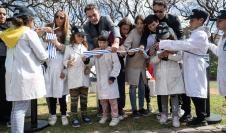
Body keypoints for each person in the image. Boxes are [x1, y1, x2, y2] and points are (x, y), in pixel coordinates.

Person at [0, 6, 48, 133]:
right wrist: (39, 37)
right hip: (26, 76)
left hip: (12, 75)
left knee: (16, 107)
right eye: (32, 19)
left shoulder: (9, 33)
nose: (33, 22)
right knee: (20, 108)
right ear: (28, 20)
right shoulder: (29, 33)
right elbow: (43, 55)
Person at [158, 9, 210, 126]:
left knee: (197, 91)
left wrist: (164, 43)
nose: (190, 22)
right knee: (192, 91)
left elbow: (186, 44)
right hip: (191, 65)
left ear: (201, 20)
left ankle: (202, 118)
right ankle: (193, 115)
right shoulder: (196, 33)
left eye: (192, 20)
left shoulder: (200, 34)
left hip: (195, 66)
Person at [83, 3, 121, 116]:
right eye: (89, 16)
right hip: (98, 57)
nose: (92, 18)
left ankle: (119, 110)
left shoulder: (106, 19)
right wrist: (94, 50)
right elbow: (89, 42)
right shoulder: (86, 26)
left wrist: (116, 41)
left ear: (99, 12)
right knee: (101, 86)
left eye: (94, 15)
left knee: (115, 83)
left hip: (112, 52)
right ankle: (103, 111)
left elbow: (114, 28)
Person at [150, 22, 185, 128]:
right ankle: (164, 114)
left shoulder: (176, 44)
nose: (162, 40)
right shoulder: (155, 46)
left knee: (174, 95)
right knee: (163, 95)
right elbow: (152, 61)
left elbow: (179, 57)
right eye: (161, 38)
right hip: (161, 74)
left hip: (173, 74)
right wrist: (159, 56)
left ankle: (175, 116)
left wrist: (168, 55)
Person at [88, 35, 121, 126]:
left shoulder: (111, 51)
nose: (102, 44)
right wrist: (86, 61)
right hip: (100, 80)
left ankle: (115, 117)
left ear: (107, 42)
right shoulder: (96, 51)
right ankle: (105, 115)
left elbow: (117, 65)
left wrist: (112, 77)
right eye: (100, 42)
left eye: (104, 42)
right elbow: (91, 62)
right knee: (103, 100)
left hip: (110, 80)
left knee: (112, 100)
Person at [44, 10, 70, 126]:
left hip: (61, 66)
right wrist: (44, 37)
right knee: (51, 93)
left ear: (65, 19)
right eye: (57, 17)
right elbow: (42, 49)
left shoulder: (67, 33)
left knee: (62, 94)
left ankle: (64, 115)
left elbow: (69, 51)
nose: (59, 19)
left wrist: (57, 43)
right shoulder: (49, 29)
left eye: (62, 17)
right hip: (50, 65)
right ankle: (53, 114)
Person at [63, 26, 91, 127]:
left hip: (84, 77)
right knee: (74, 100)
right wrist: (68, 62)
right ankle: (74, 117)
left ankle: (84, 115)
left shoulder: (85, 48)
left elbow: (88, 62)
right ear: (74, 36)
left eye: (82, 36)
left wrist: (88, 66)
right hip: (73, 78)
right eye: (79, 35)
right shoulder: (68, 48)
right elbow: (64, 61)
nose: (81, 38)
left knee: (84, 99)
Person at [123, 15, 148, 118]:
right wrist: (130, 52)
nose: (139, 25)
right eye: (137, 23)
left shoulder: (146, 33)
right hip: (132, 65)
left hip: (142, 65)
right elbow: (126, 45)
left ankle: (141, 108)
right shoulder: (133, 32)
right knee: (133, 87)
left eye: (141, 23)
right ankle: (134, 110)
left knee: (142, 88)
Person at [108, 17, 133, 120]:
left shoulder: (129, 36)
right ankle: (111, 109)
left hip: (121, 63)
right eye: (124, 29)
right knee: (112, 86)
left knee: (121, 86)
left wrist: (128, 52)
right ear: (119, 28)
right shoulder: (113, 34)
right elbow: (109, 47)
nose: (125, 31)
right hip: (111, 63)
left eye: (127, 29)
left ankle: (120, 108)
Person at [208, 10, 226, 132]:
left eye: (220, 21)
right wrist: (208, 44)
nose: (217, 23)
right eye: (217, 21)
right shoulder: (223, 37)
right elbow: (220, 53)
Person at [0, 5, 12, 126]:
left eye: (4, 14)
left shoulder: (10, 28)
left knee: (5, 90)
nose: (2, 16)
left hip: (6, 61)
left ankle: (7, 118)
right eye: (0, 14)